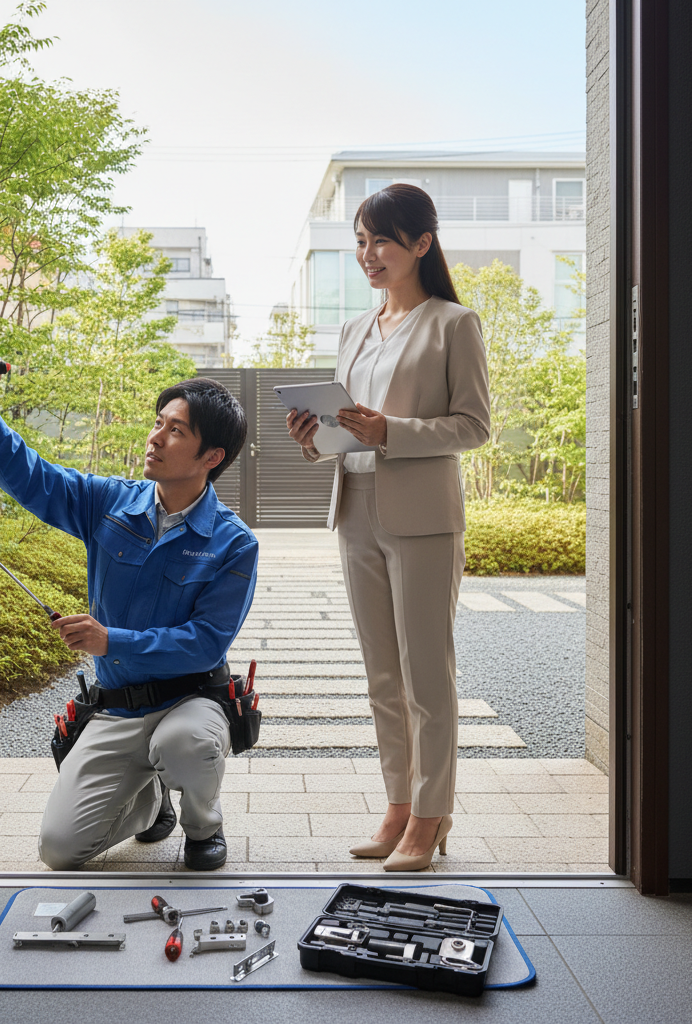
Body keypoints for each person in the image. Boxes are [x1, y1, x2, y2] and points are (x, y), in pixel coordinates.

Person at [0, 367, 257, 870]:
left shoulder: (233, 543)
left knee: (183, 742)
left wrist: (111, 640)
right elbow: (37, 480)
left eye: (176, 430)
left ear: (212, 457)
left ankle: (203, 826)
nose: (156, 437)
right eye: (158, 422)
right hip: (118, 708)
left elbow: (206, 642)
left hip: (193, 701)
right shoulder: (109, 502)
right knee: (59, 850)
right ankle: (150, 805)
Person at [287, 184, 490, 871]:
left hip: (424, 520)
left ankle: (431, 820)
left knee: (426, 676)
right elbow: (348, 433)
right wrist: (313, 439)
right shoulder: (353, 331)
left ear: (421, 245)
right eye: (360, 241)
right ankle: (398, 808)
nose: (367, 254)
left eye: (380, 240)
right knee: (381, 676)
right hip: (356, 511)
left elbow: (474, 426)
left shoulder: (452, 324)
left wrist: (390, 430)